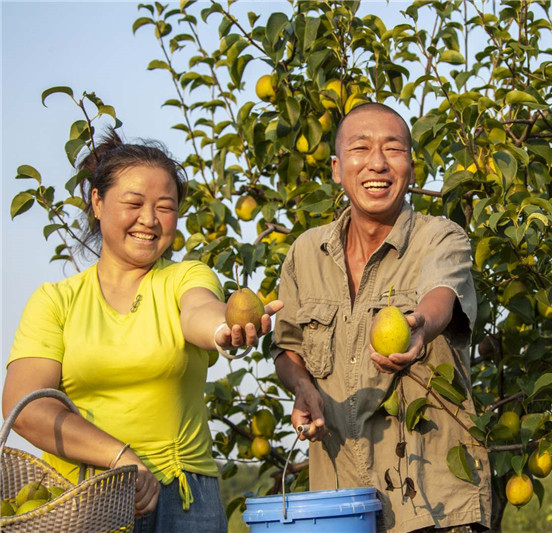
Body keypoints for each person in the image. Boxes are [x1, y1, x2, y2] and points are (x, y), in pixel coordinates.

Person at [2, 130, 282, 533]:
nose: (149, 220)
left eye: (165, 207)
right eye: (133, 203)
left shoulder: (184, 276)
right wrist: (121, 457)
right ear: (97, 203)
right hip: (80, 498)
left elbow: (199, 310)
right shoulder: (54, 300)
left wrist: (223, 329)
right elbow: (26, 407)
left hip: (183, 501)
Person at [271, 103, 491, 532]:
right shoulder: (305, 254)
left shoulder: (441, 237)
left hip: (434, 507)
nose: (377, 163)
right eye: (361, 148)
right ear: (337, 168)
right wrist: (301, 387)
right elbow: (288, 348)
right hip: (337, 506)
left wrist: (420, 327)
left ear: (411, 168)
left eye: (393, 149)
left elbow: (440, 297)